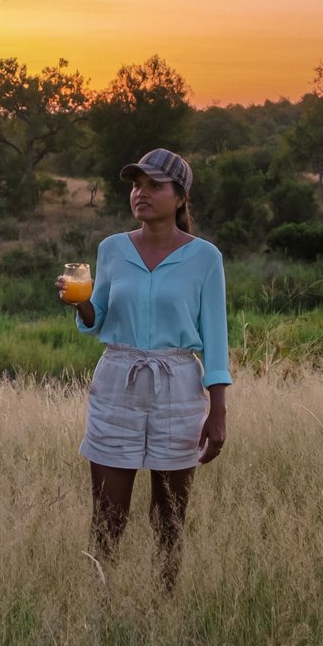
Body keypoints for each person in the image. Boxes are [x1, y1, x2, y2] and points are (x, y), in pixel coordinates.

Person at [59, 147, 229, 589]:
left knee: (170, 516)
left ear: (180, 197)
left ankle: (164, 605)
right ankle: (100, 604)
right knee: (108, 514)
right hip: (119, 379)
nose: (142, 193)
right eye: (137, 184)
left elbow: (215, 336)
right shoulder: (112, 248)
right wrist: (79, 303)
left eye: (155, 185)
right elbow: (96, 319)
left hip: (178, 384)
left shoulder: (205, 257)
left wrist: (218, 410)